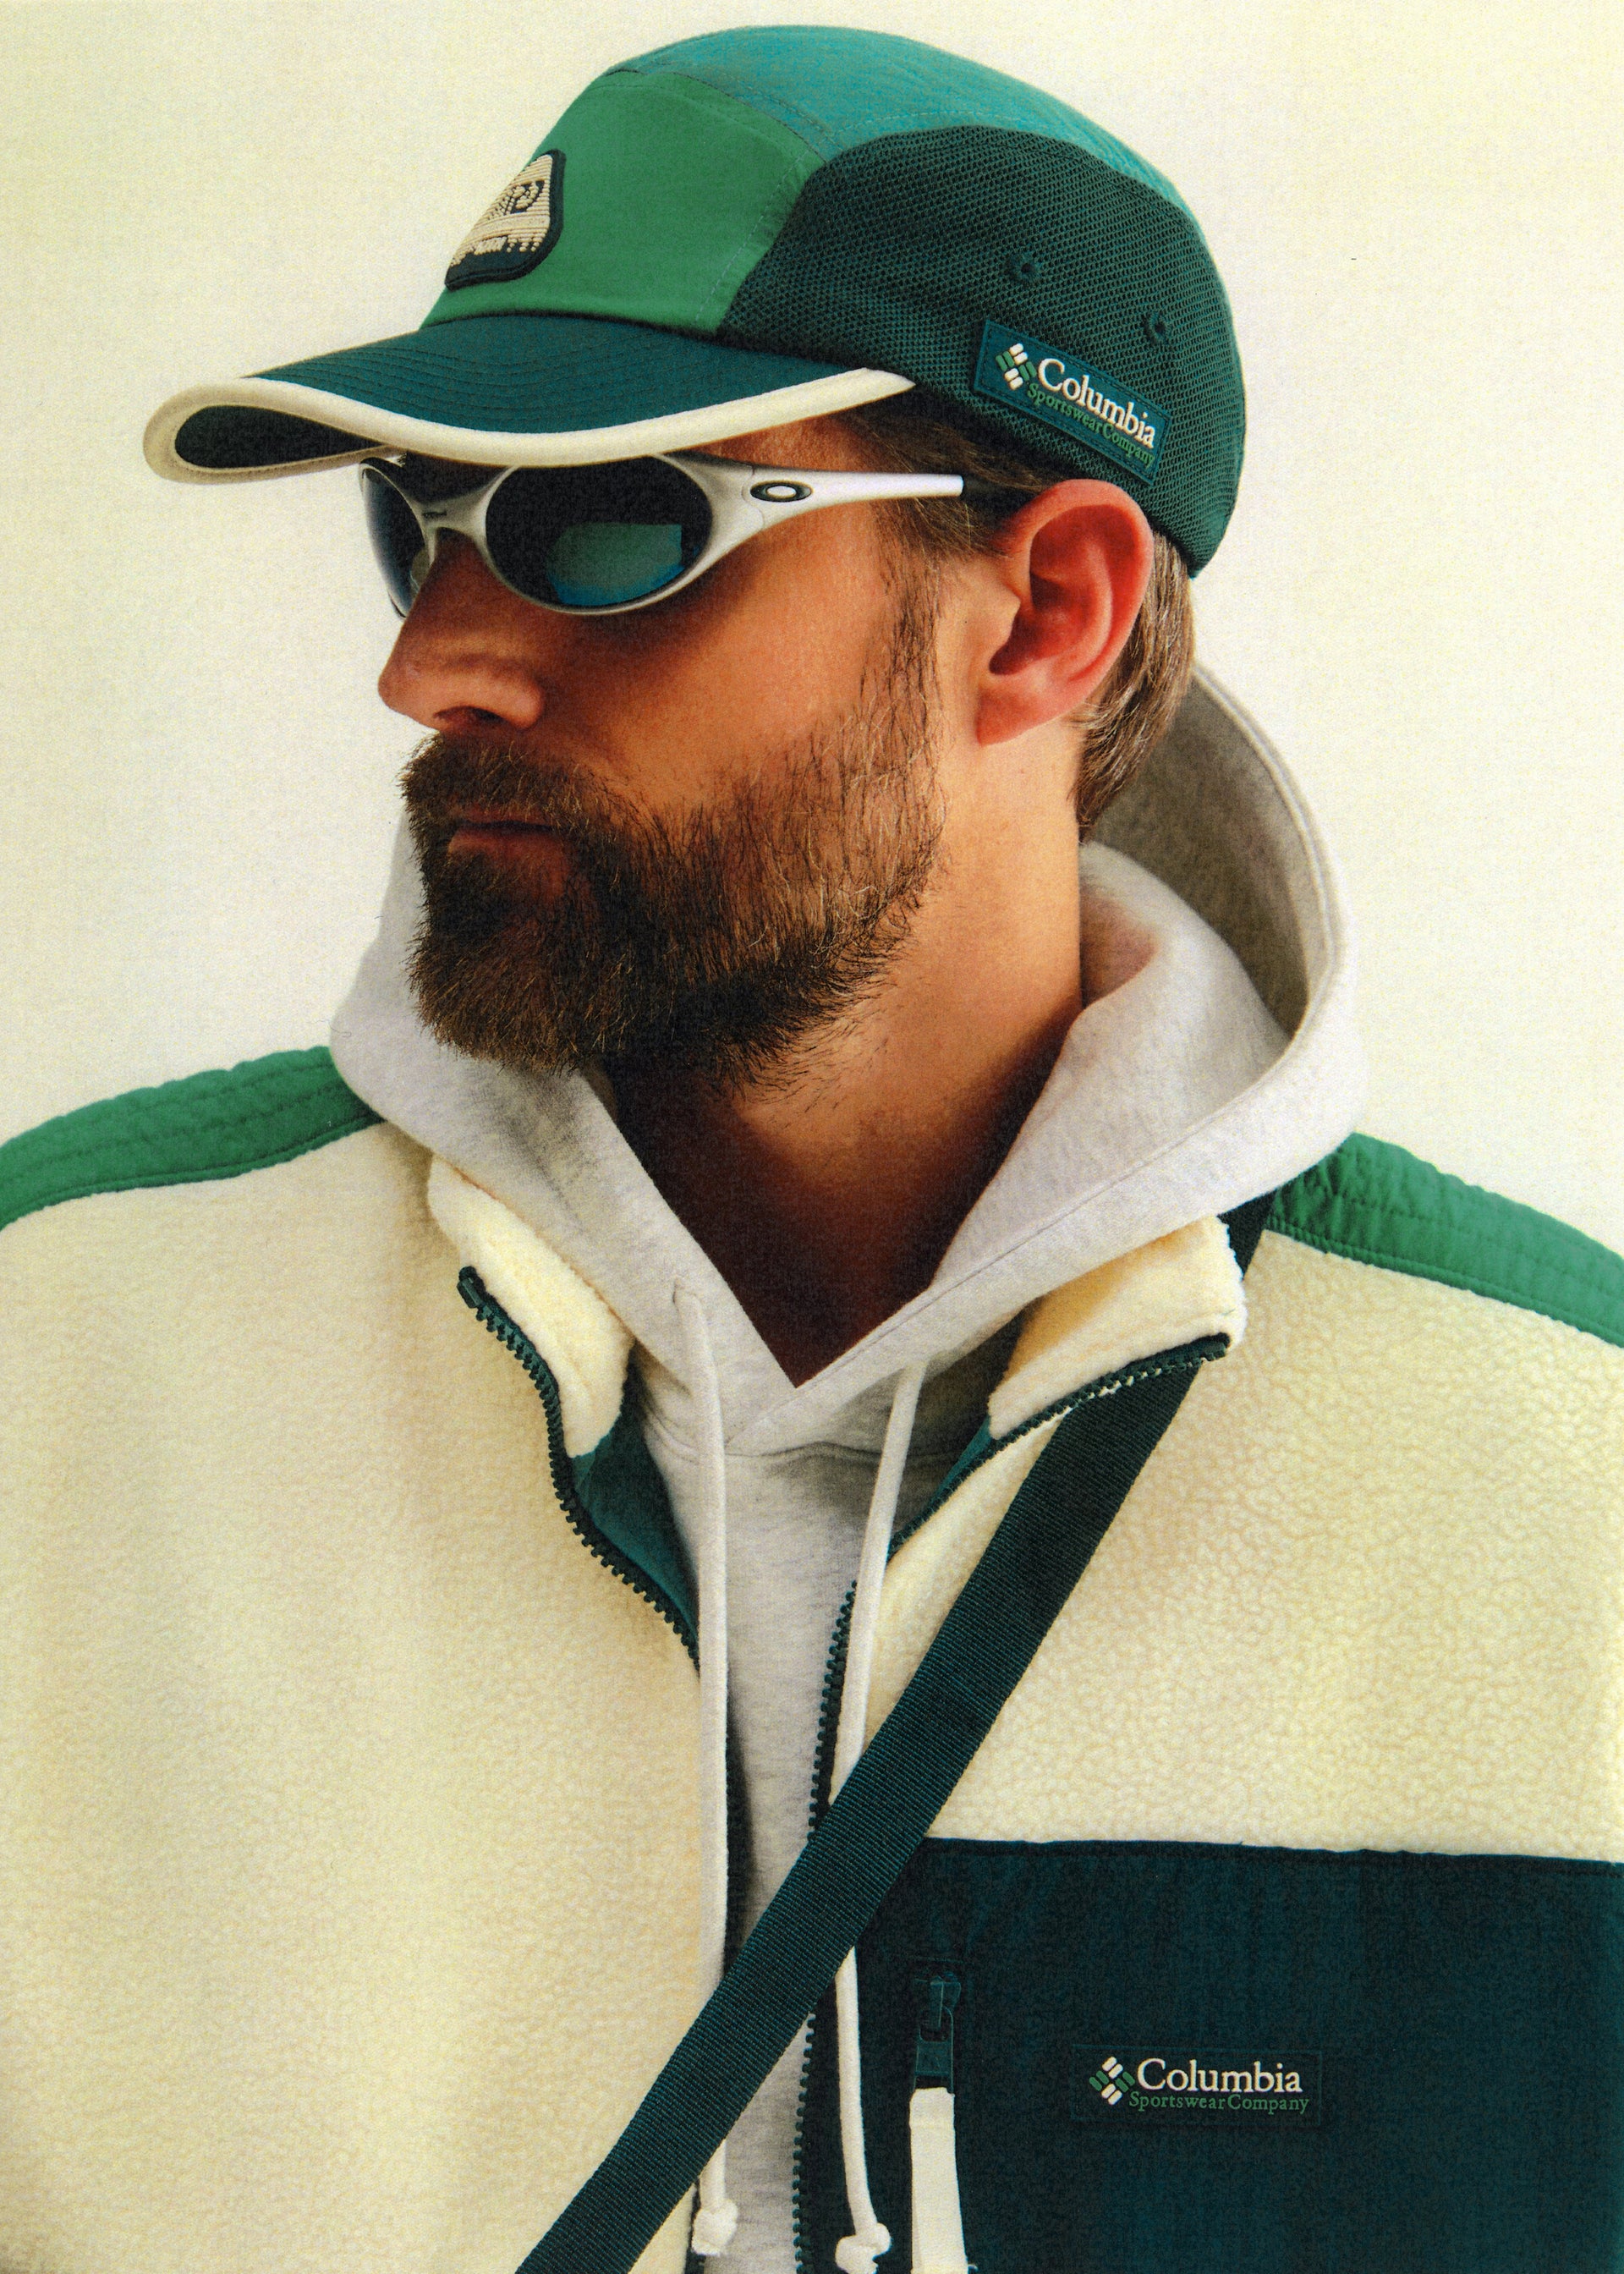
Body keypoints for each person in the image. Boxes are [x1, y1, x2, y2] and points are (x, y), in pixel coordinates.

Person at [2, 25, 1620, 2274]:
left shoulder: (1570, 1479)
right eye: (418, 527)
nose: (434, 665)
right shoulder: (53, 1358)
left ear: (1044, 612)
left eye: (601, 524)